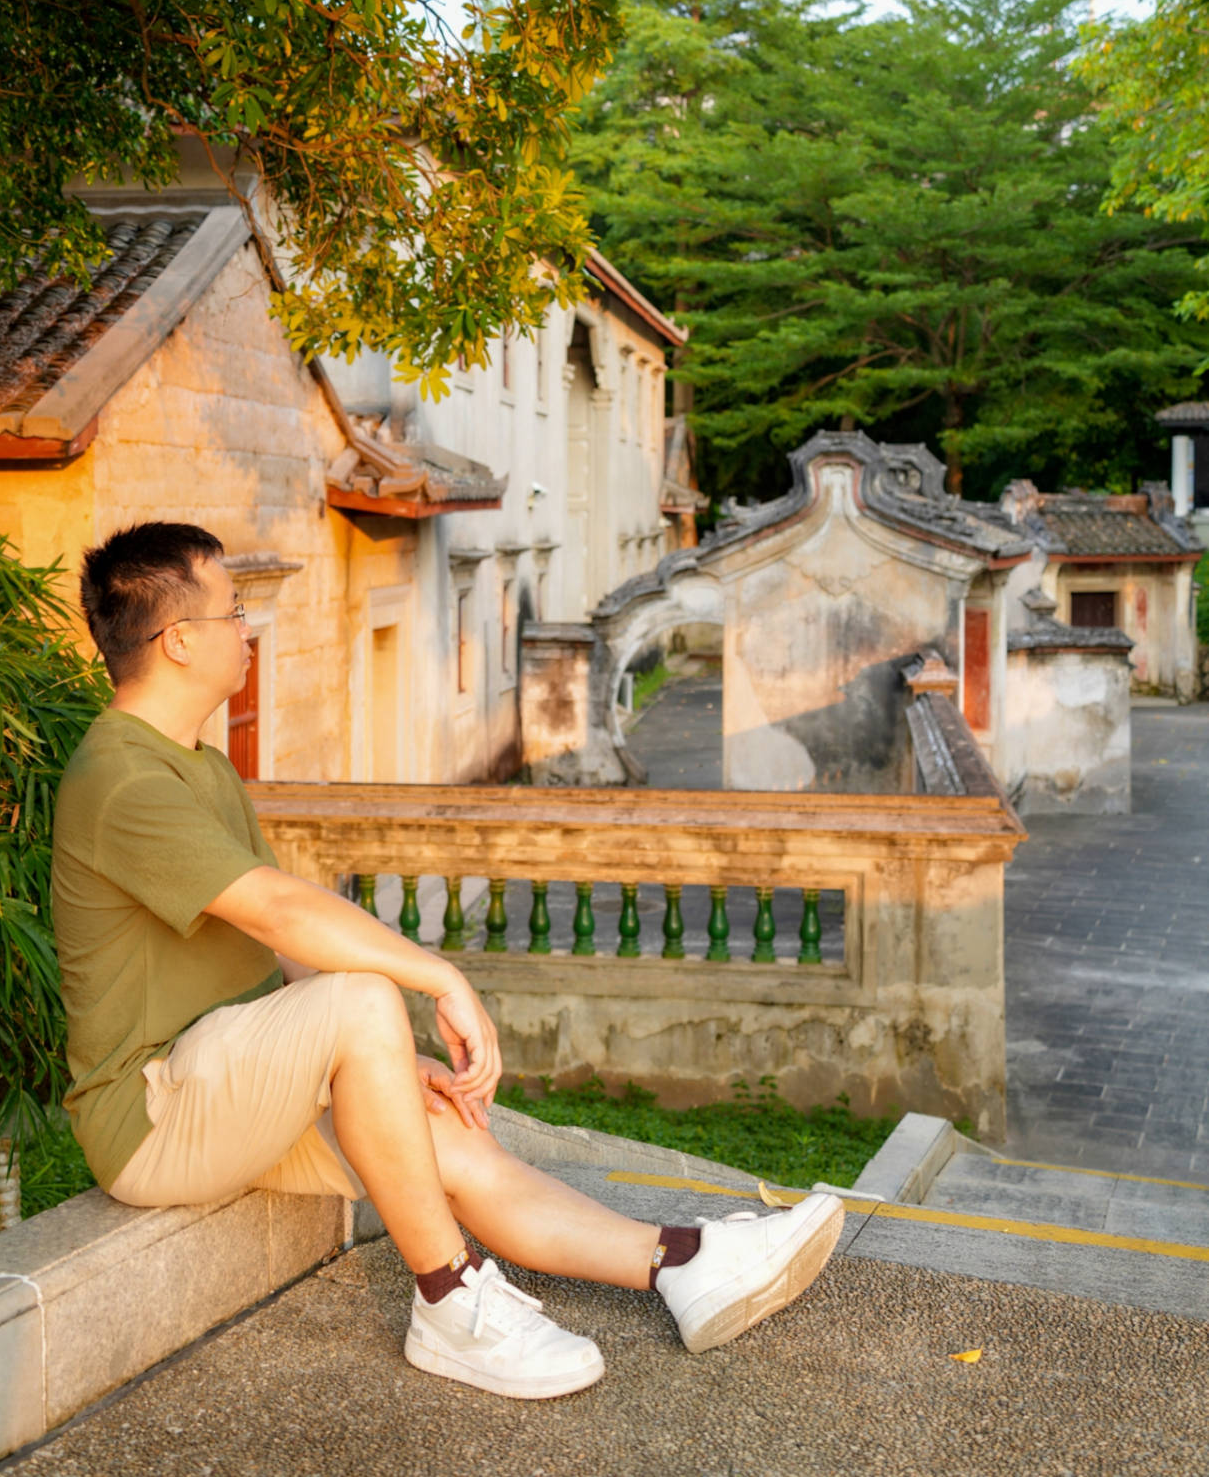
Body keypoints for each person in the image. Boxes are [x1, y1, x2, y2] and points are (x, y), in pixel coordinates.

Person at [52, 521, 844, 1400]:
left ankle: (681, 1263)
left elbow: (274, 944)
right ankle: (447, 1298)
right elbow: (283, 908)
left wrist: (380, 1062)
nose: (249, 627)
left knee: (455, 1140)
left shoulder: (198, 766)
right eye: (234, 609)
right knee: (363, 1001)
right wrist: (437, 977)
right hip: (155, 1115)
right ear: (179, 640)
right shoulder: (121, 777)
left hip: (227, 1079)